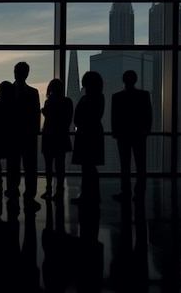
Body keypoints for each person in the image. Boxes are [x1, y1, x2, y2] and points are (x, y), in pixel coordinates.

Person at [111, 70, 152, 202]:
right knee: (141, 166)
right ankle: (139, 193)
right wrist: (146, 131)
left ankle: (126, 191)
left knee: (125, 165)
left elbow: (114, 117)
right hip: (139, 134)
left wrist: (116, 133)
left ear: (124, 80)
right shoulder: (144, 95)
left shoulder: (117, 97)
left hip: (123, 135)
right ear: (135, 80)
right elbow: (148, 115)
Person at [8, 61, 41, 209]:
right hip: (22, 136)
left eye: (19, 71)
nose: (18, 74)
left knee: (23, 167)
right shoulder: (32, 92)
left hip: (21, 136)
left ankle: (22, 194)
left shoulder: (12, 91)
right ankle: (24, 195)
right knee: (23, 167)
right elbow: (35, 116)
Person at [71, 71, 105, 205]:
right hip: (89, 134)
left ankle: (89, 195)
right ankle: (90, 195)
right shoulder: (95, 98)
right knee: (88, 167)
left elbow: (81, 117)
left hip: (88, 135)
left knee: (88, 167)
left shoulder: (92, 98)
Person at [40, 78, 73, 200]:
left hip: (50, 136)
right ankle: (58, 190)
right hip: (59, 137)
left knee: (51, 166)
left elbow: (56, 119)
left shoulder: (49, 103)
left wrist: (48, 114)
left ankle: (50, 189)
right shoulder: (66, 102)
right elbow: (67, 120)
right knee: (59, 166)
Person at [0, 80, 15, 195]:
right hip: (9, 137)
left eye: (0, 88)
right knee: (10, 163)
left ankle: (0, 184)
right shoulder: (13, 105)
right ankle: (10, 186)